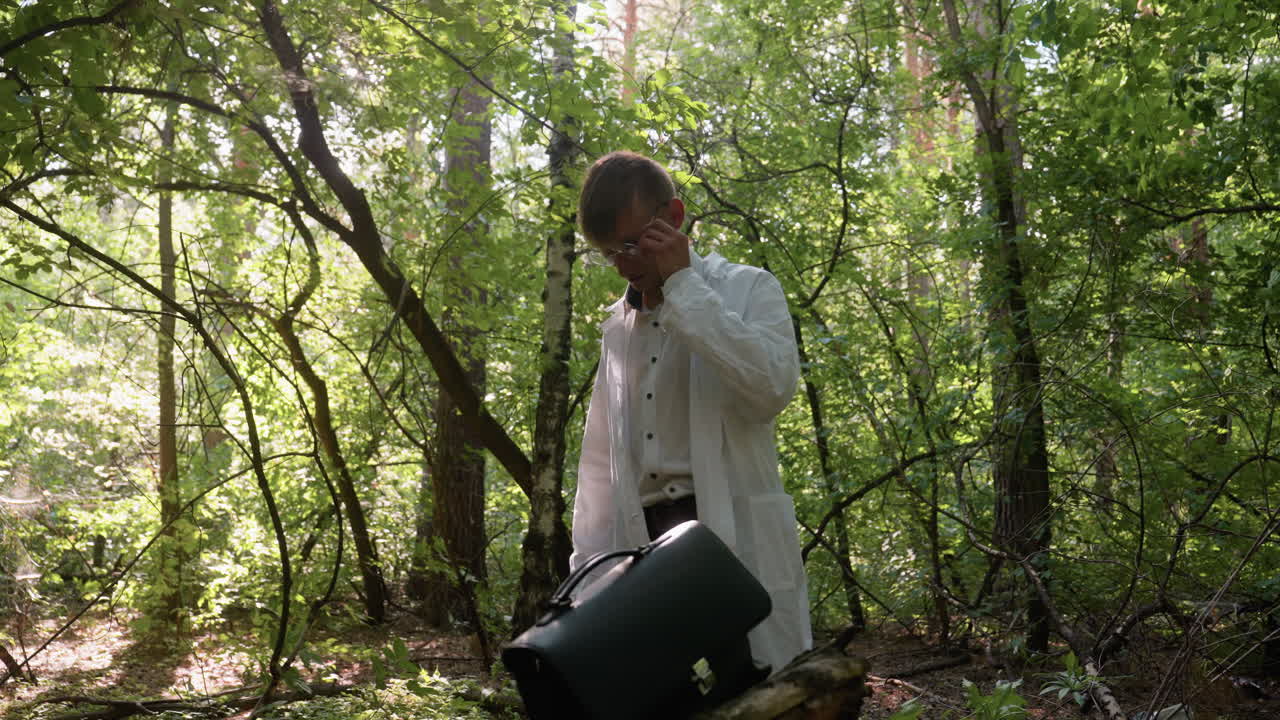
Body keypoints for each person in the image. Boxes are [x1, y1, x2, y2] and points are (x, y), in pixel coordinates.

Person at [570, 150, 812, 673]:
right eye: (609, 253)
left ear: (674, 219)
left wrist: (682, 285)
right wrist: (586, 580)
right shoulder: (618, 329)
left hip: (731, 533)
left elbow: (770, 388)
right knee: (666, 697)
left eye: (633, 244)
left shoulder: (748, 289)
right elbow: (600, 472)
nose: (624, 265)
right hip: (645, 547)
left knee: (760, 689)